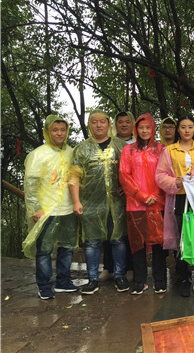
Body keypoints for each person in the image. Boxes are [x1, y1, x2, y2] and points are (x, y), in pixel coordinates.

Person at [69, 110, 129, 295]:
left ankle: (119, 275)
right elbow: (73, 177)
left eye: (102, 121)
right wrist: (77, 201)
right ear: (90, 125)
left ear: (108, 124)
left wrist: (126, 188)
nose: (98, 125)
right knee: (92, 242)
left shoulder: (120, 146)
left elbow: (129, 171)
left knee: (118, 239)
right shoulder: (81, 149)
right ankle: (92, 278)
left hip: (116, 203)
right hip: (91, 203)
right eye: (94, 122)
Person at [23, 115, 79, 299]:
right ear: (47, 132)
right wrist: (36, 207)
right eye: (55, 130)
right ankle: (44, 285)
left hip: (68, 208)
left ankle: (63, 281)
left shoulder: (71, 152)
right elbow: (31, 185)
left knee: (67, 246)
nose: (60, 133)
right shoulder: (38, 154)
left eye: (63, 130)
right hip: (48, 210)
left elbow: (75, 178)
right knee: (45, 249)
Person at [156, 115, 194, 297]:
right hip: (179, 199)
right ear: (178, 130)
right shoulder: (169, 150)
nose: (187, 130)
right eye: (183, 127)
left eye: (190, 127)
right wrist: (175, 181)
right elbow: (160, 175)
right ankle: (184, 277)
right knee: (182, 238)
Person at [119, 113, 167, 295]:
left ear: (153, 129)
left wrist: (155, 195)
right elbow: (124, 175)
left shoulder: (162, 149)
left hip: (158, 202)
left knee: (159, 244)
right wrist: (140, 195)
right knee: (137, 243)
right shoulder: (128, 150)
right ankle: (140, 280)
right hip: (136, 203)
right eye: (141, 127)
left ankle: (160, 279)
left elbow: (165, 173)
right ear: (136, 129)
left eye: (148, 127)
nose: (145, 130)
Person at [100, 111, 135, 282]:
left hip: (132, 194)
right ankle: (108, 267)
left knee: (129, 233)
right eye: (120, 122)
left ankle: (129, 267)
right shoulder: (109, 143)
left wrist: (128, 187)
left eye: (127, 122)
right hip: (112, 195)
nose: (124, 125)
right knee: (109, 231)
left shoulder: (137, 143)